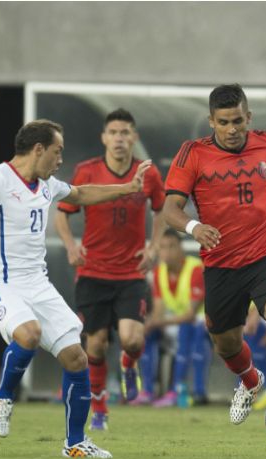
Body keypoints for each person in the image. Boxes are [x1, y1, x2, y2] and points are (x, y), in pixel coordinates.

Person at [0, 119, 151, 458]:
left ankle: (76, 443)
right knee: (29, 333)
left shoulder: (46, 183)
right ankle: (2, 397)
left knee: (76, 357)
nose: (60, 159)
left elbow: (80, 193)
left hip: (37, 284)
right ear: (38, 150)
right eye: (57, 151)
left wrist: (127, 188)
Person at [162, 84, 266, 435]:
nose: (231, 129)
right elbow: (170, 210)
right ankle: (251, 379)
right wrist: (195, 228)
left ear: (249, 118)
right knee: (225, 343)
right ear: (211, 121)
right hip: (221, 264)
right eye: (223, 122)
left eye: (238, 121)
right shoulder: (192, 154)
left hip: (263, 255)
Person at [54, 109, 166, 430]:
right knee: (96, 345)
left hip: (131, 272)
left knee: (131, 340)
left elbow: (161, 211)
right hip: (92, 272)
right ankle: (100, 407)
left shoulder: (149, 174)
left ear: (135, 138)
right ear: (104, 137)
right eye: (114, 132)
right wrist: (71, 245)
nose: (119, 138)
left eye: (126, 132)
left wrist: (154, 245)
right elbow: (63, 212)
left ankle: (129, 365)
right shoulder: (87, 171)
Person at [141, 228, 210, 406]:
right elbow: (158, 309)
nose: (167, 252)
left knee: (187, 330)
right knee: (143, 334)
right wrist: (151, 323)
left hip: (201, 323)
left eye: (172, 246)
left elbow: (190, 314)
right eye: (163, 247)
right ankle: (147, 390)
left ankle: (181, 391)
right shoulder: (158, 272)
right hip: (173, 321)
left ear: (180, 248)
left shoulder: (195, 269)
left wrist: (159, 321)